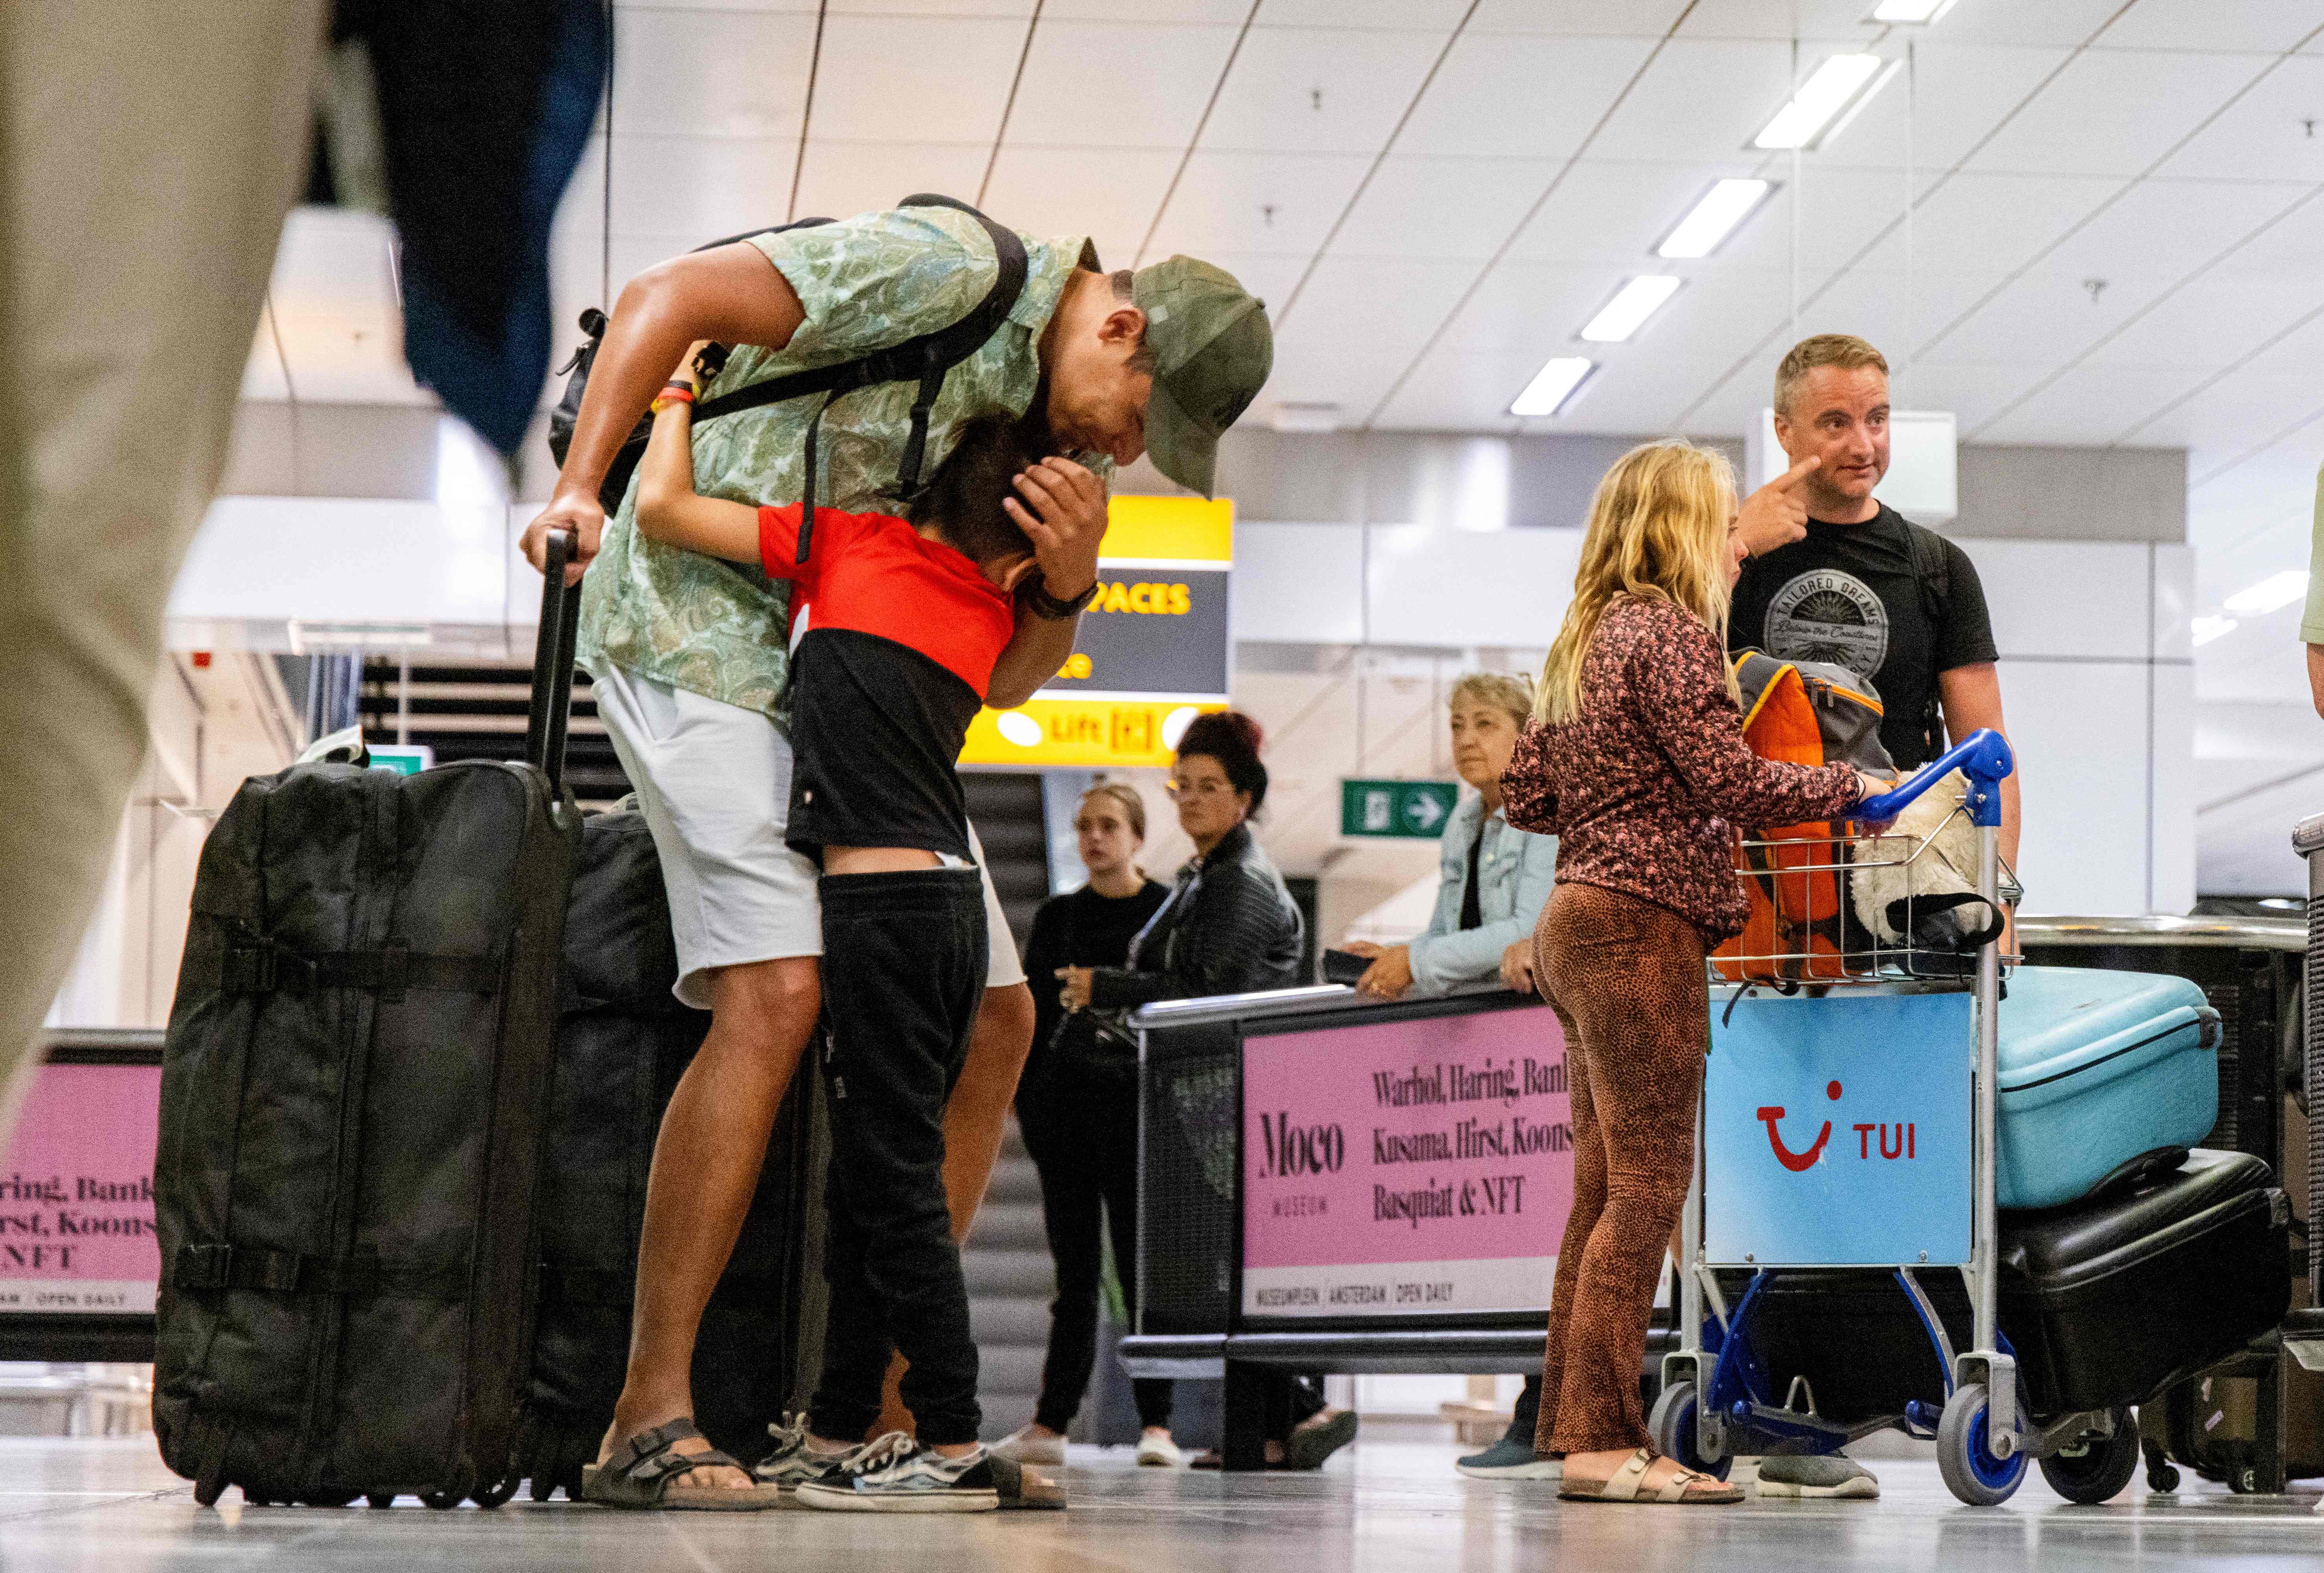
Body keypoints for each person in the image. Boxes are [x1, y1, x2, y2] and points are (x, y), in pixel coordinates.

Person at [518, 201, 1271, 1502]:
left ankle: (864, 1423)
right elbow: (664, 295)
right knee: (778, 991)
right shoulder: (950, 271)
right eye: (1143, 414)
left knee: (995, 1016)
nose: (1129, 448)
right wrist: (584, 484)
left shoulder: (1040, 445)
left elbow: (1011, 686)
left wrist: (1068, 585)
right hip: (692, 621)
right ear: (1122, 325)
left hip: (842, 679)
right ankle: (645, 1416)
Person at [602, 378, 1060, 1510]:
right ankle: (847, 1422)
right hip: (950, 909)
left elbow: (660, 509)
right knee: (873, 1186)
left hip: (880, 917)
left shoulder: (847, 543)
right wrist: (1062, 582)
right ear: (1012, 559)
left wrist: (671, 400)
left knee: (889, 1186)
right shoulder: (993, 613)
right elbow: (1020, 672)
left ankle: (948, 1436)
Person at [1501, 439, 1883, 1507]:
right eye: (1720, 527)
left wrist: (1616, 796)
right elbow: (1728, 776)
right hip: (1643, 927)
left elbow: (1526, 794)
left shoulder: (1581, 640)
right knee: (1650, 1189)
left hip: (1574, 920)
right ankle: (1606, 1442)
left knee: (1598, 1195)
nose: (1733, 549)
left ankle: (1574, 1433)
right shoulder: (1670, 633)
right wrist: (1853, 786)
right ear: (1679, 529)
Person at [1727, 332, 2013, 1501]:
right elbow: (1663, 680)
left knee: (1892, 1136)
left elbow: (1985, 739)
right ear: (1787, 430)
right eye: (1837, 422)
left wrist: (1996, 891)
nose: (1864, 444)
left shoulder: (1935, 567)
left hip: (1901, 894)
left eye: (1879, 419)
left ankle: (1866, 1386)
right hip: (1766, 892)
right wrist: (1731, 544)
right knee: (1776, 1130)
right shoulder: (1737, 552)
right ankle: (1785, 1399)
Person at [1060, 712, 1354, 1471]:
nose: (1188, 799)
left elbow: (1205, 989)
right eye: (1180, 785)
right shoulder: (1205, 875)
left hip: (1229, 1102)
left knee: (1234, 1267)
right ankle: (1266, 1427)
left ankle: (1301, 1408)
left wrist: (1106, 985)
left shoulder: (1240, 883)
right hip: (1203, 1101)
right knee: (1227, 1268)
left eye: (1207, 787)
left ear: (1243, 797)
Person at [996, 784, 1176, 1469]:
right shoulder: (1059, 915)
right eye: (1083, 827)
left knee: (1137, 1269)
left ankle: (1156, 1424)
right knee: (1073, 1273)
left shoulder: (1163, 910)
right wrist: (1029, 1101)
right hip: (1064, 1112)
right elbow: (1033, 1014)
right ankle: (1052, 1421)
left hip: (1134, 1109)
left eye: (1108, 826)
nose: (1094, 838)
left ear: (1135, 834)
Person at [1342, 672, 1557, 1003]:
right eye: (1457, 726)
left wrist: (1414, 961)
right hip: (1471, 1013)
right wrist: (1393, 954)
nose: (1466, 739)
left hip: (1529, 1015)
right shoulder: (1461, 821)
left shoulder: (1546, 812)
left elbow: (1529, 932)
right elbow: (1447, 933)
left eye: (1484, 724)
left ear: (1527, 736)